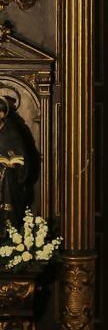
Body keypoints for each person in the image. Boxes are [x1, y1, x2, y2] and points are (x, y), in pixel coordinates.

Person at [0, 95, 40, 238]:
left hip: (8, 185)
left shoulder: (12, 133)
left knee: (8, 218)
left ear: (2, 114)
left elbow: (22, 161)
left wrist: (7, 164)